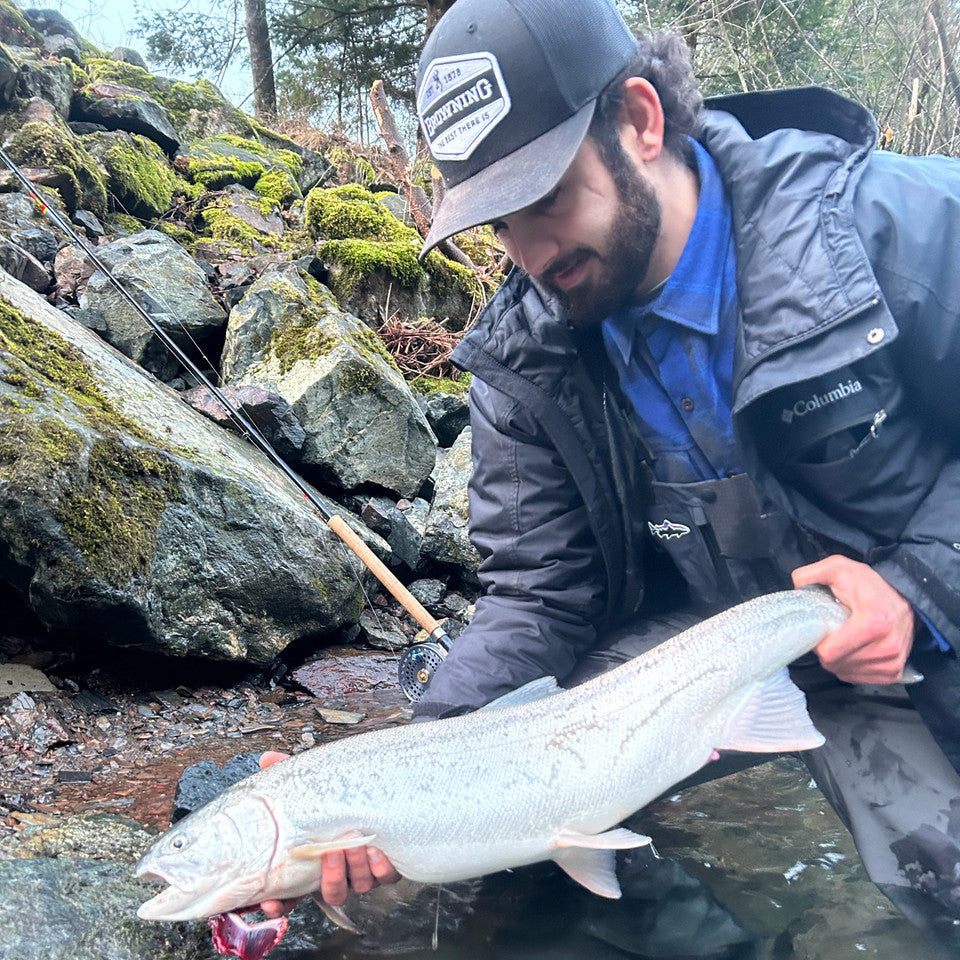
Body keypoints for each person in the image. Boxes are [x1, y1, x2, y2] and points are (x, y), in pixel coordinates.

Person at [267, 0, 960, 948]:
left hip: (932, 620)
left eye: (547, 198)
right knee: (498, 849)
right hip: (723, 651)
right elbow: (540, 599)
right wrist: (394, 781)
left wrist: (916, 587)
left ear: (640, 119)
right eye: (499, 223)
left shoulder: (902, 227)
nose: (531, 255)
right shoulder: (527, 361)